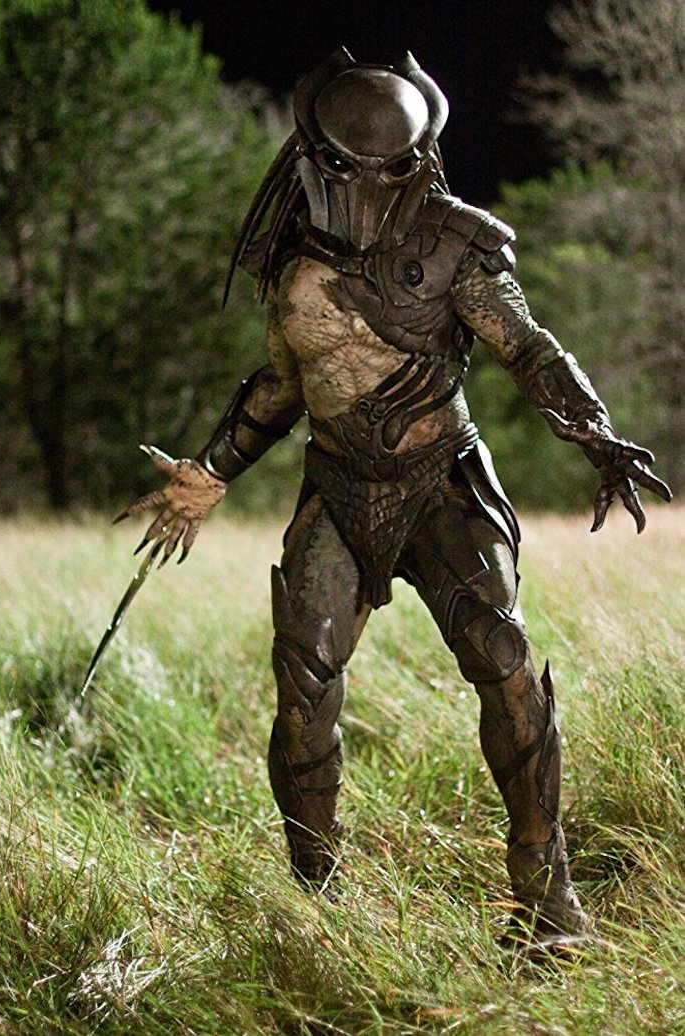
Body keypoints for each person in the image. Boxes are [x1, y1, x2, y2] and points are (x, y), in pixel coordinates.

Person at [116, 49, 671, 949]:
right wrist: (211, 470)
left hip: (441, 482)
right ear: (318, 157)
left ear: (419, 157)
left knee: (505, 660)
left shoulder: (456, 244)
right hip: (338, 488)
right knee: (304, 689)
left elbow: (528, 347)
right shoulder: (292, 259)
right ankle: (318, 901)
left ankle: (546, 896)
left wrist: (595, 434)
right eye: (353, 166)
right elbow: (286, 383)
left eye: (392, 166)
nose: (373, 184)